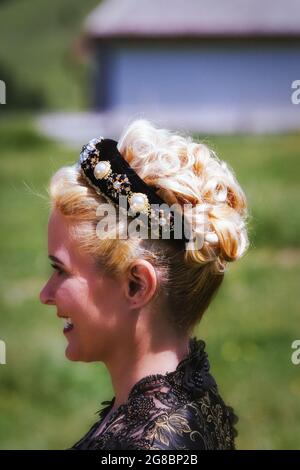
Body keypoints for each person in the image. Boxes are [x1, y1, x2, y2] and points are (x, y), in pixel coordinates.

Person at [39, 119, 249, 450]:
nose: (45, 295)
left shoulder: (146, 448)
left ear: (136, 285)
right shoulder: (192, 392)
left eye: (61, 271)